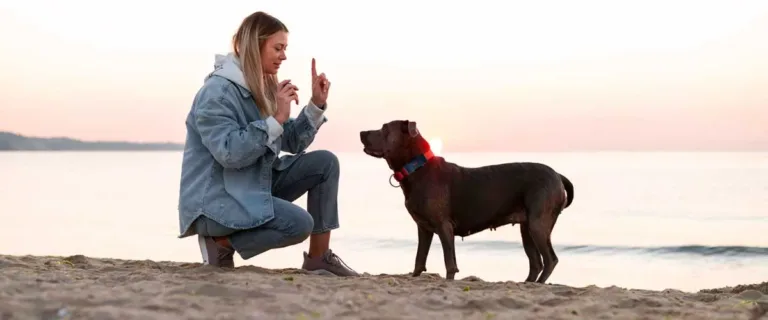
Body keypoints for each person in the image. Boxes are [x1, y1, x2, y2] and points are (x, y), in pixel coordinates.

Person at [176, 11, 359, 277]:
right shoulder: (217, 93)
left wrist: (315, 106)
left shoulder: (261, 86)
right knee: (298, 224)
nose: (284, 56)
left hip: (250, 184)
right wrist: (275, 120)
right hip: (216, 202)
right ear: (254, 46)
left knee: (326, 163)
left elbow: (292, 141)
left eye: (285, 48)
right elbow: (229, 152)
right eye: (278, 48)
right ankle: (221, 243)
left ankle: (319, 258)